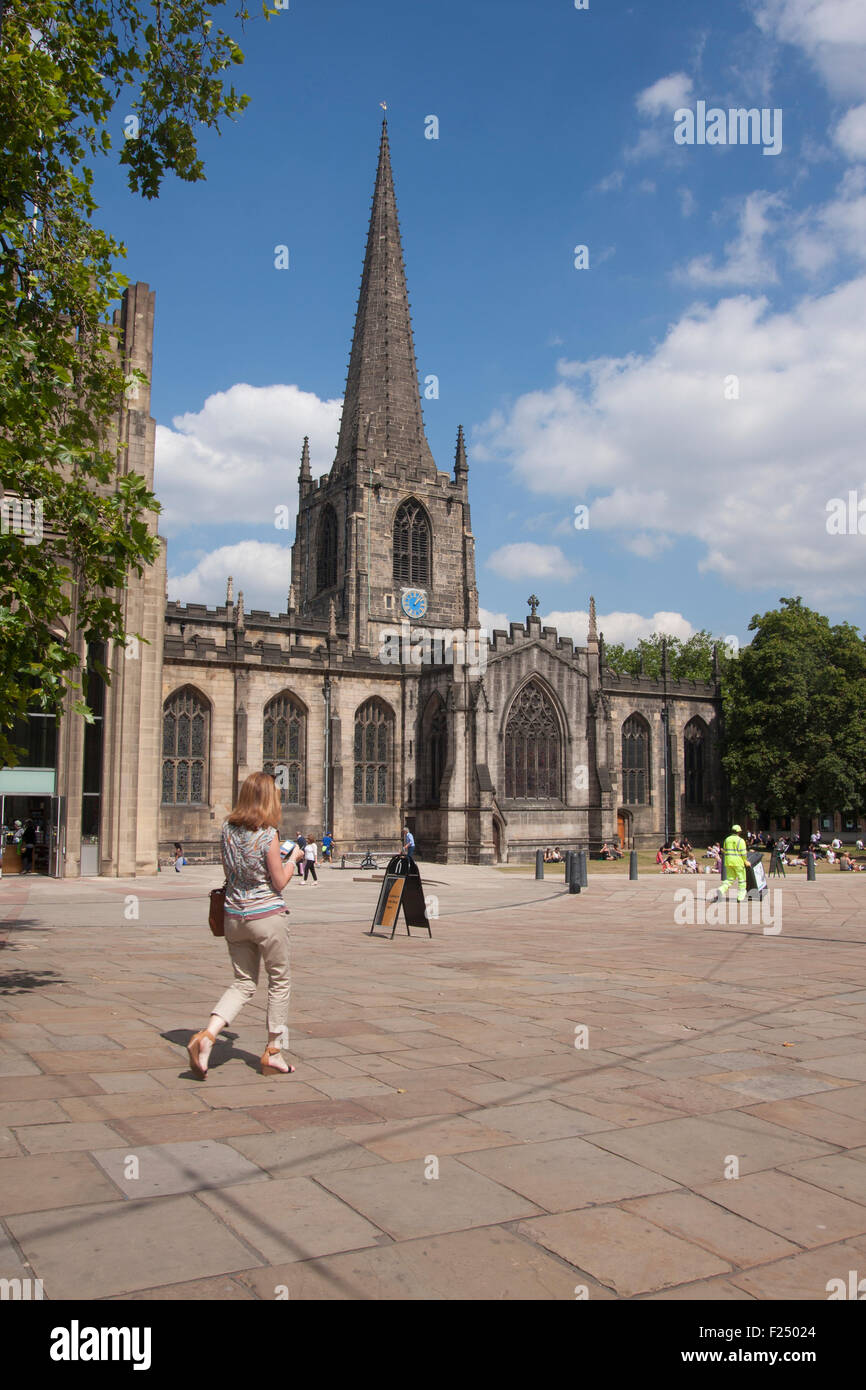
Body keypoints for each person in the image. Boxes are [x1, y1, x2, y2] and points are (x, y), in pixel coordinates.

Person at [187, 771, 305, 1081]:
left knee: (243, 983)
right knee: (279, 981)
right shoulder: (268, 834)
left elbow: (232, 870)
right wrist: (293, 860)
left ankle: (208, 1036)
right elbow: (278, 881)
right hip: (266, 917)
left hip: (233, 917)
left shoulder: (226, 829)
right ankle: (273, 1053)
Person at [713, 822, 748, 903]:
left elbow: (724, 850)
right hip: (738, 862)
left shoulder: (727, 839)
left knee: (729, 879)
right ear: (739, 832)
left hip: (728, 862)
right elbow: (743, 853)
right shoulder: (740, 840)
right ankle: (741, 896)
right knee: (742, 879)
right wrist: (745, 861)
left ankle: (721, 890)